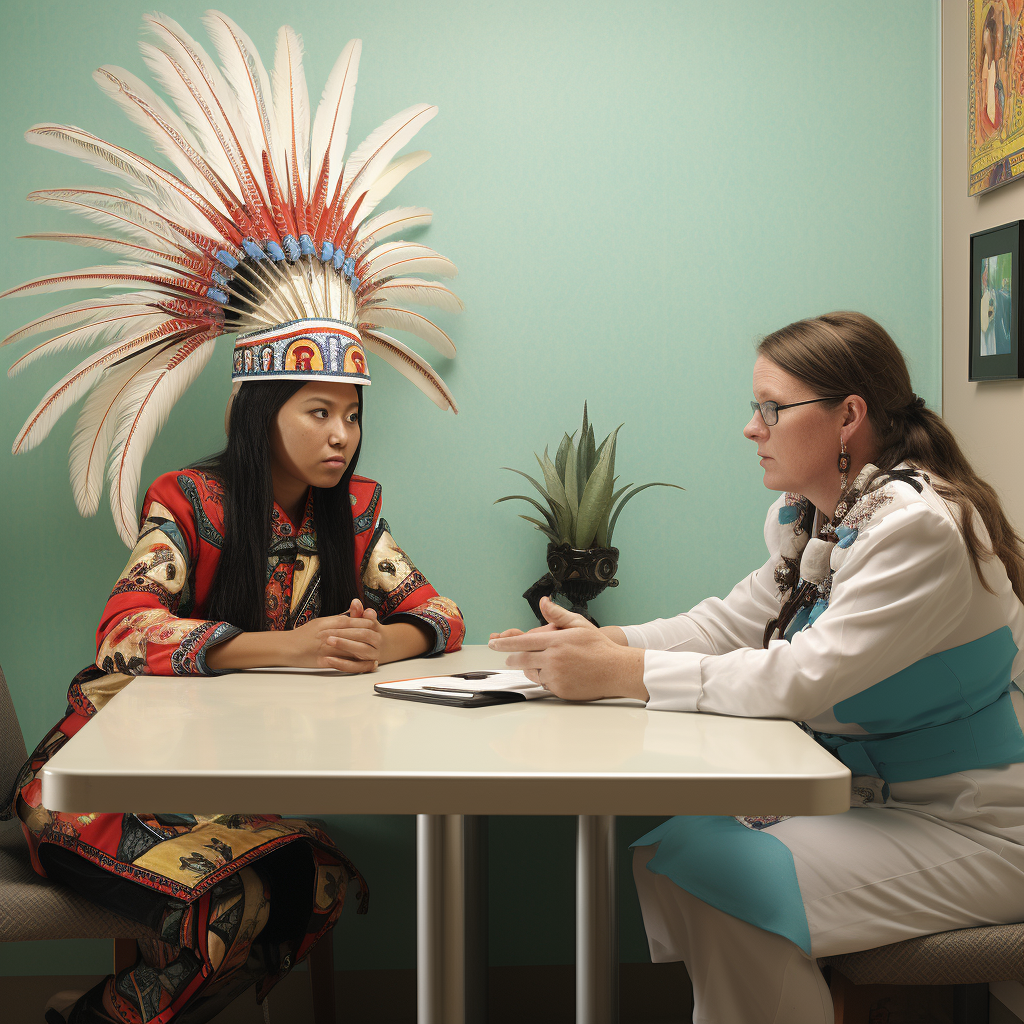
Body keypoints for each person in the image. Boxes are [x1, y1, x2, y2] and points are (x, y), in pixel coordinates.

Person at [1, 11, 464, 1022]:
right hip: (95, 782)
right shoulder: (192, 502)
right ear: (266, 412)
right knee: (241, 903)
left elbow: (439, 617)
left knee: (325, 884)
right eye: (319, 413)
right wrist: (289, 648)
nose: (342, 436)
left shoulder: (357, 515)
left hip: (211, 791)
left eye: (351, 414)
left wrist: (365, 638)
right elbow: (127, 632)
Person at [490, 311, 1024, 1023]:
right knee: (678, 849)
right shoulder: (821, 518)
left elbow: (800, 677)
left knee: (718, 874)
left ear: (848, 417)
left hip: (978, 827)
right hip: (881, 803)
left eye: (771, 408)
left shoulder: (917, 530)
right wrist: (601, 642)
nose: (752, 427)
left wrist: (618, 674)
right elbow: (729, 622)